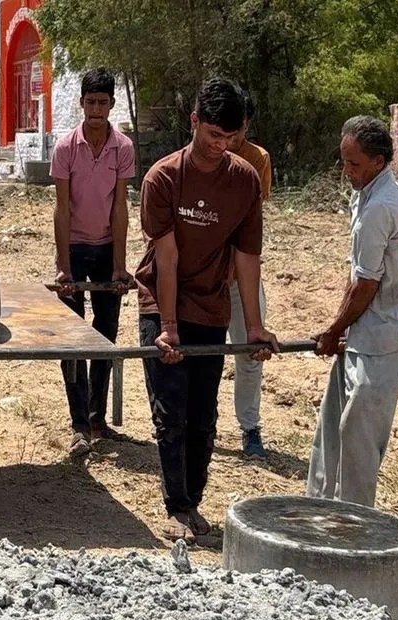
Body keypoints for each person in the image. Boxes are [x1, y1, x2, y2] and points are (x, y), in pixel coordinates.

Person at [134, 78, 278, 542]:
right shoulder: (162, 178)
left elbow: (247, 257)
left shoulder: (245, 180)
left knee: (203, 415)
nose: (222, 146)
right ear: (194, 121)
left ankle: (193, 503)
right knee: (170, 408)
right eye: (214, 135)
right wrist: (168, 326)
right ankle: (175, 507)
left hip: (211, 305)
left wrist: (254, 327)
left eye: (230, 137)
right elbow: (167, 256)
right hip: (163, 302)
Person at [307, 116, 398, 507]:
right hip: (360, 333)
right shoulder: (367, 193)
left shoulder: (381, 207)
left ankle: (351, 526)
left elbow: (367, 284)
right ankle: (319, 512)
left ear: (378, 161)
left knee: (358, 444)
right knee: (332, 432)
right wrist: (340, 329)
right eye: (344, 161)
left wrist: (334, 329)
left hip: (380, 340)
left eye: (353, 164)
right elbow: (356, 276)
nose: (346, 171)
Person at [49, 67, 135, 457]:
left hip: (105, 248)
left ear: (111, 104)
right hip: (74, 246)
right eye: (90, 102)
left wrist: (119, 264)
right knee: (72, 338)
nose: (96, 109)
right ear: (81, 103)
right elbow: (61, 209)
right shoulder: (66, 147)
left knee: (105, 335)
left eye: (102, 102)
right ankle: (79, 424)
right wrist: (63, 266)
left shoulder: (123, 147)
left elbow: (120, 208)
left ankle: (98, 419)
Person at [226, 90, 274, 458]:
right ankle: (197, 422)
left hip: (240, 270)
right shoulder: (200, 155)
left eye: (237, 128)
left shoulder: (257, 160)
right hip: (203, 272)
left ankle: (249, 426)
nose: (229, 138)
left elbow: (248, 222)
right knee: (199, 353)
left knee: (251, 350)